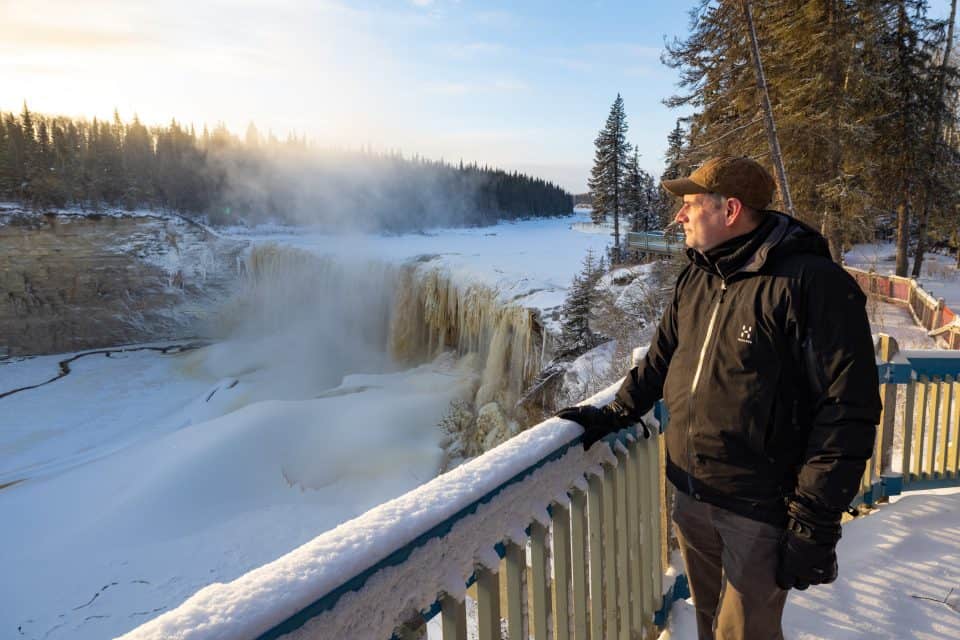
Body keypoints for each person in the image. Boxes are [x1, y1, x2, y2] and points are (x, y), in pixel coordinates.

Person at [557, 156, 881, 640]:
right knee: (709, 624)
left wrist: (814, 519)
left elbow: (847, 409)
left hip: (761, 508)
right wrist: (619, 411)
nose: (678, 217)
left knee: (744, 634)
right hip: (692, 494)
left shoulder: (811, 285)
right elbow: (661, 357)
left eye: (689, 205)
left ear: (729, 210)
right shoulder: (698, 276)